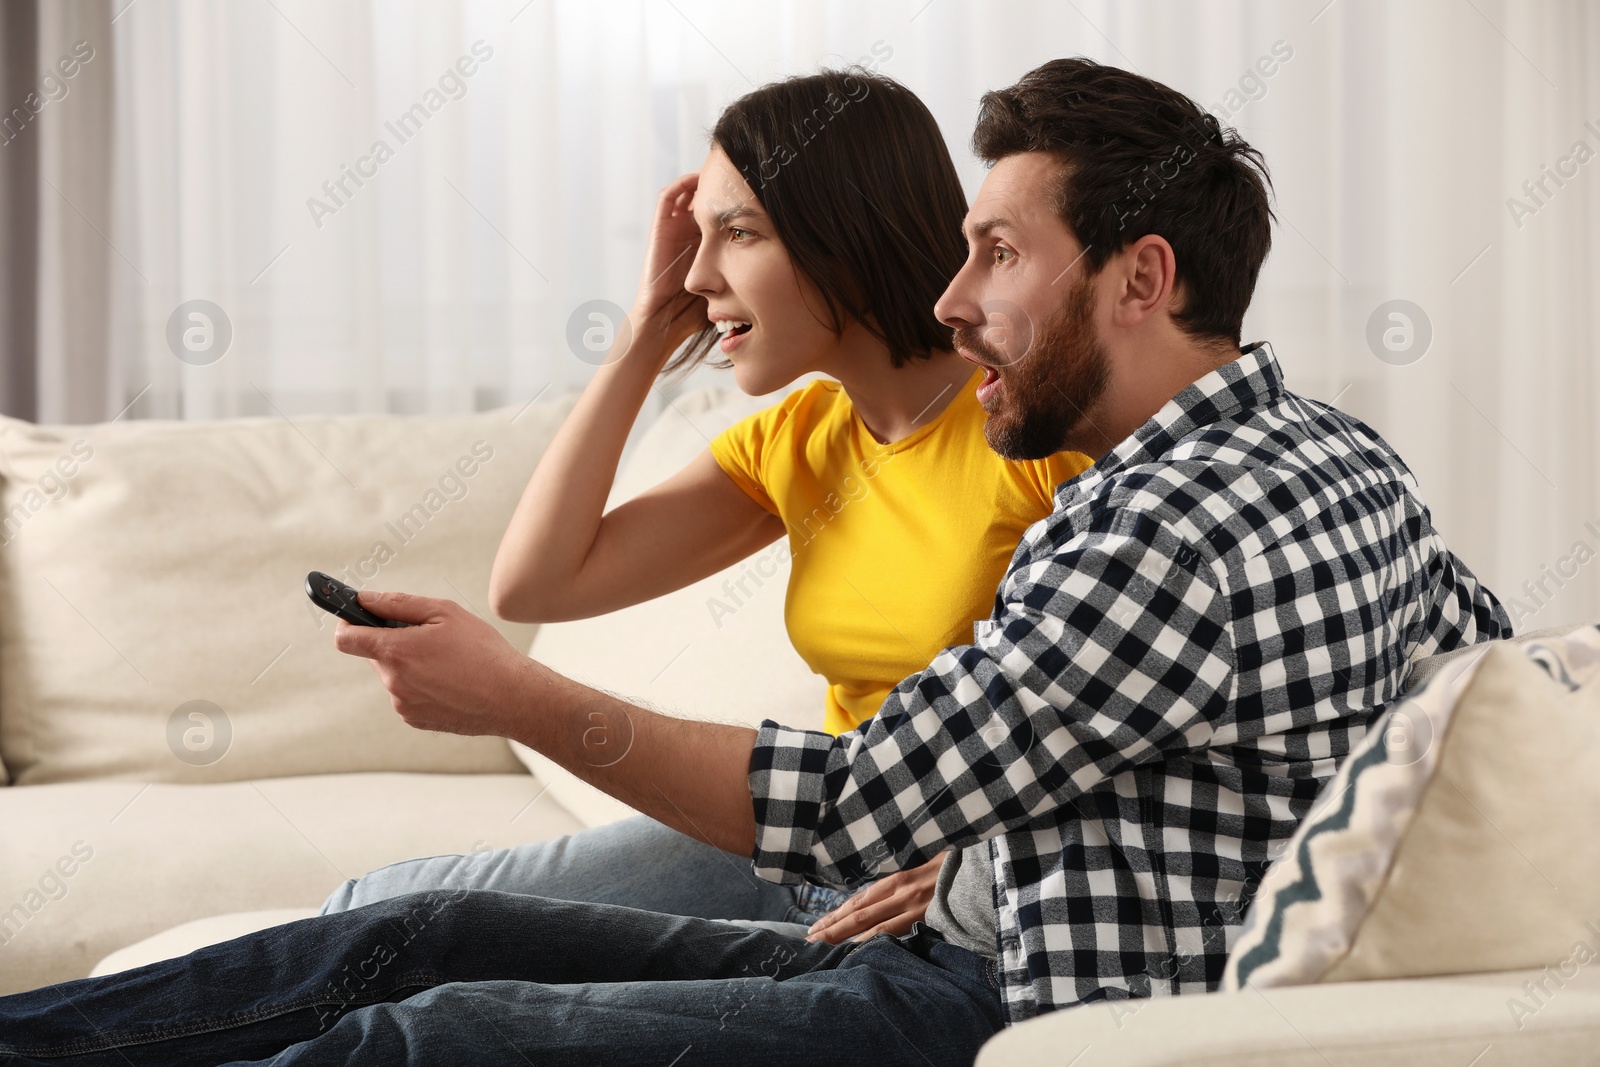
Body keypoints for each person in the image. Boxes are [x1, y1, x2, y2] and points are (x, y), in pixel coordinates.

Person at [0, 57, 1511, 1067]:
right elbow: (1480, 667)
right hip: (940, 907)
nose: (957, 290)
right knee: (420, 925)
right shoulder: (1339, 459)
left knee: (432, 1021)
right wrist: (1003, 831)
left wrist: (516, 693)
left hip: (977, 990)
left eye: (996, 252)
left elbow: (854, 798)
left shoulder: (1149, 524)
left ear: (1143, 278)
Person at [316, 66, 1092, 946]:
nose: (697, 274)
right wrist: (646, 331)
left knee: (426, 973)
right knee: (366, 915)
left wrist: (985, 865)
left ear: (846, 237)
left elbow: (1112, 709)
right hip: (804, 847)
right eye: (697, 237)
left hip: (929, 893)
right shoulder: (797, 438)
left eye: (739, 232)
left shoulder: (1031, 429)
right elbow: (535, 583)